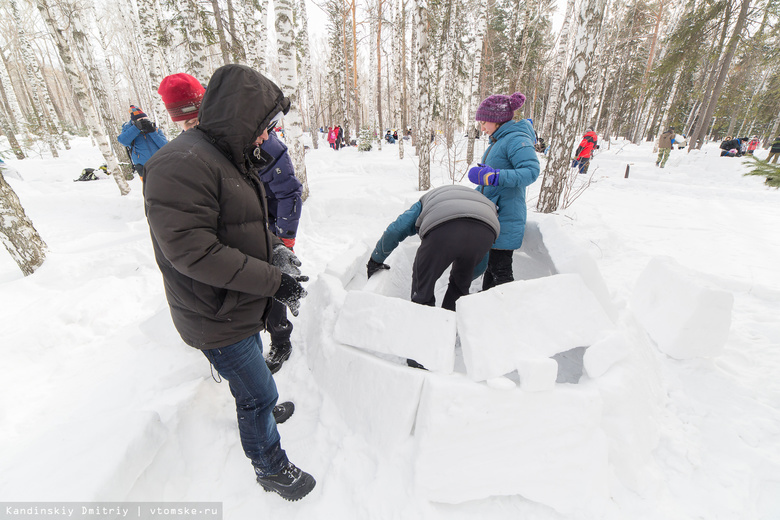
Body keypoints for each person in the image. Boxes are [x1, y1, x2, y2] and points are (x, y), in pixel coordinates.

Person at [143, 64, 315, 501]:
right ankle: (270, 468)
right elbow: (195, 252)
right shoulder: (178, 165)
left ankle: (263, 409)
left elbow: (244, 224)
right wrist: (275, 282)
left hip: (234, 302)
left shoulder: (225, 155)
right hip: (212, 312)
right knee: (256, 393)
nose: (266, 137)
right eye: (264, 126)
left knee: (255, 377)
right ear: (242, 117)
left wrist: (276, 248)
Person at [157, 72, 304, 374]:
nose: (195, 130)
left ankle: (280, 337)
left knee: (272, 286)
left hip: (268, 228)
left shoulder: (260, 141)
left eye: (197, 119)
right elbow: (200, 243)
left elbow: (288, 192)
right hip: (239, 248)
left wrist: (280, 241)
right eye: (187, 125)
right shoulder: (190, 159)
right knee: (261, 283)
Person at [367, 185, 499, 312]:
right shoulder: (478, 200)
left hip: (443, 230)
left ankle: (426, 323)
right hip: (485, 231)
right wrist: (465, 274)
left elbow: (396, 230)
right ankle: (450, 323)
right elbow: (481, 264)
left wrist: (376, 259)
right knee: (459, 288)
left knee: (423, 287)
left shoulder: (425, 202)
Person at [468, 92, 540, 290]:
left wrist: (495, 176)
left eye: (484, 123)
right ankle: (490, 308)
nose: (482, 128)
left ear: (497, 120)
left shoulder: (516, 139)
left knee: (501, 273)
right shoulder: (499, 140)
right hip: (495, 214)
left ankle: (507, 313)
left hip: (507, 216)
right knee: (492, 268)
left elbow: (531, 171)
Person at [117, 105, 168, 180]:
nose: (144, 121)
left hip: (161, 164)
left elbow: (165, 146)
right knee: (151, 190)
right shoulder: (128, 129)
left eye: (145, 119)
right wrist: (136, 128)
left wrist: (152, 132)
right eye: (141, 119)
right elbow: (123, 141)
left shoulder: (154, 129)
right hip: (143, 167)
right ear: (134, 121)